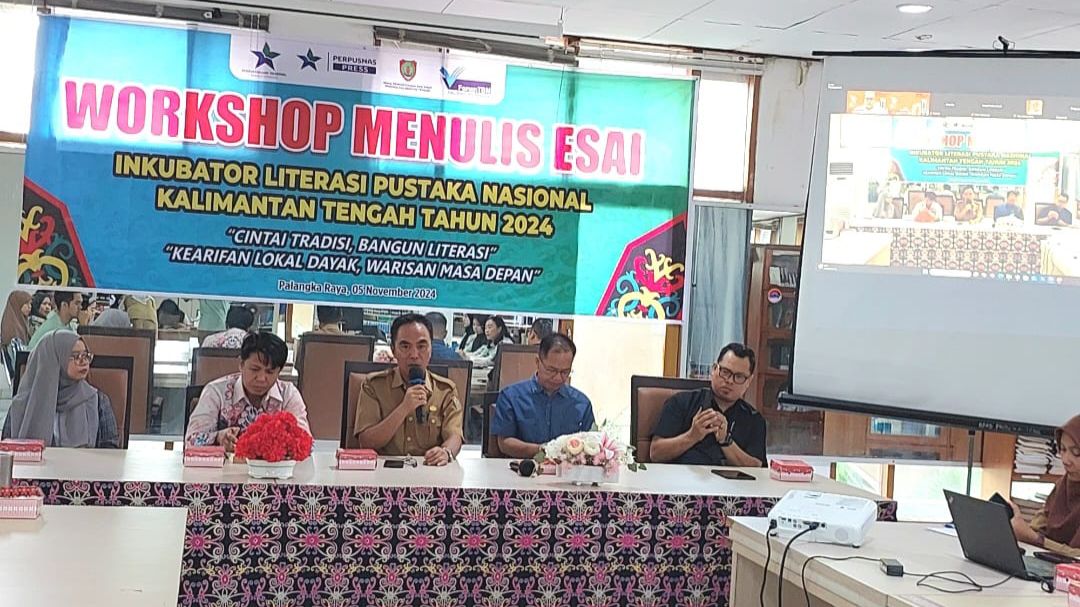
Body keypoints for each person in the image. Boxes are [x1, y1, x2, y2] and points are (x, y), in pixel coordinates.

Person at [353, 314, 463, 466]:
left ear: (431, 349)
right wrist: (404, 408)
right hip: (385, 472)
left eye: (421, 346)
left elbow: (455, 436)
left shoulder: (445, 390)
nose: (414, 355)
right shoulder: (374, 386)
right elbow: (366, 442)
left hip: (429, 471)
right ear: (393, 350)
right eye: (405, 347)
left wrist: (445, 452)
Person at [185, 332, 311, 450]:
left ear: (279, 371)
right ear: (241, 364)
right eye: (255, 369)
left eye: (270, 372)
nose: (261, 378)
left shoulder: (288, 395)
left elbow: (306, 443)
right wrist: (218, 437)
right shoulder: (216, 392)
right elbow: (191, 440)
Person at [649, 343, 767, 466]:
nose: (729, 381)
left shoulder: (754, 419)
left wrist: (726, 440)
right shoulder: (682, 402)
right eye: (725, 372)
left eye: (739, 376)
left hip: (730, 479)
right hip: (684, 476)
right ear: (714, 369)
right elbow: (655, 454)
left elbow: (757, 467)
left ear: (748, 382)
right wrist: (692, 436)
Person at [1, 331, 119, 448]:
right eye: (75, 356)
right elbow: (5, 450)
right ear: (53, 360)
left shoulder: (98, 401)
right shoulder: (23, 405)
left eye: (86, 355)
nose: (84, 362)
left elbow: (111, 450)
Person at [491, 333, 595, 458]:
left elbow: (591, 443)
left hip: (568, 468)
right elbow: (504, 443)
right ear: (538, 362)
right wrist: (545, 450)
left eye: (565, 372)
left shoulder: (581, 404)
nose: (558, 378)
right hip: (523, 466)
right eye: (551, 370)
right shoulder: (512, 397)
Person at [1010, 415, 1080, 557]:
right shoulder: (1062, 485)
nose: (1066, 460)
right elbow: (1038, 526)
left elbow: (1077, 555)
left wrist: (1036, 539)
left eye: (1076, 453)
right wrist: (1015, 524)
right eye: (1062, 449)